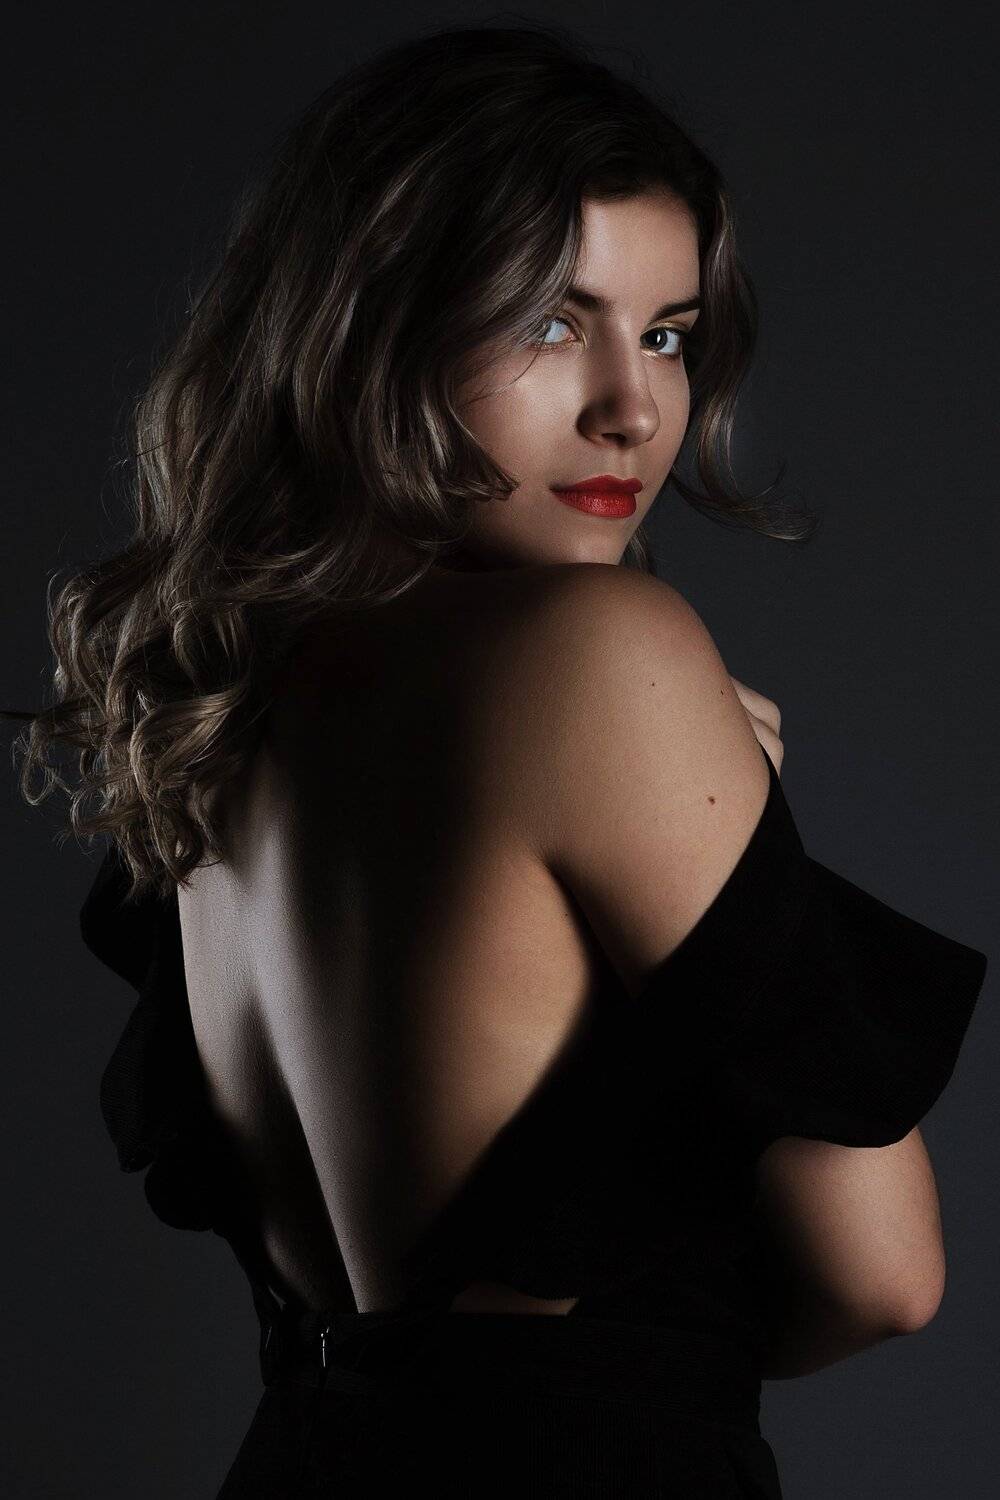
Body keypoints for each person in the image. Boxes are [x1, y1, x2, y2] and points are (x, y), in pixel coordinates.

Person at [4, 22, 988, 1499]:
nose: (633, 408)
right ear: (369, 329)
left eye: (667, 333)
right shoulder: (603, 648)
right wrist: (743, 822)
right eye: (550, 322)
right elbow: (886, 1277)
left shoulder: (222, 708)